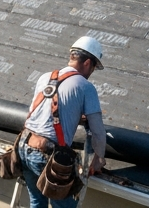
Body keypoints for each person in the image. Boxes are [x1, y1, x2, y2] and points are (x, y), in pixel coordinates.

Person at [18, 36, 108, 208]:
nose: (91, 73)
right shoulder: (85, 87)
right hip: (45, 153)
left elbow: (41, 111)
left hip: (24, 145)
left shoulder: (46, 77)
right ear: (88, 63)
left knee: (37, 202)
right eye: (94, 68)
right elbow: (98, 131)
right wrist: (98, 158)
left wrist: (73, 113)